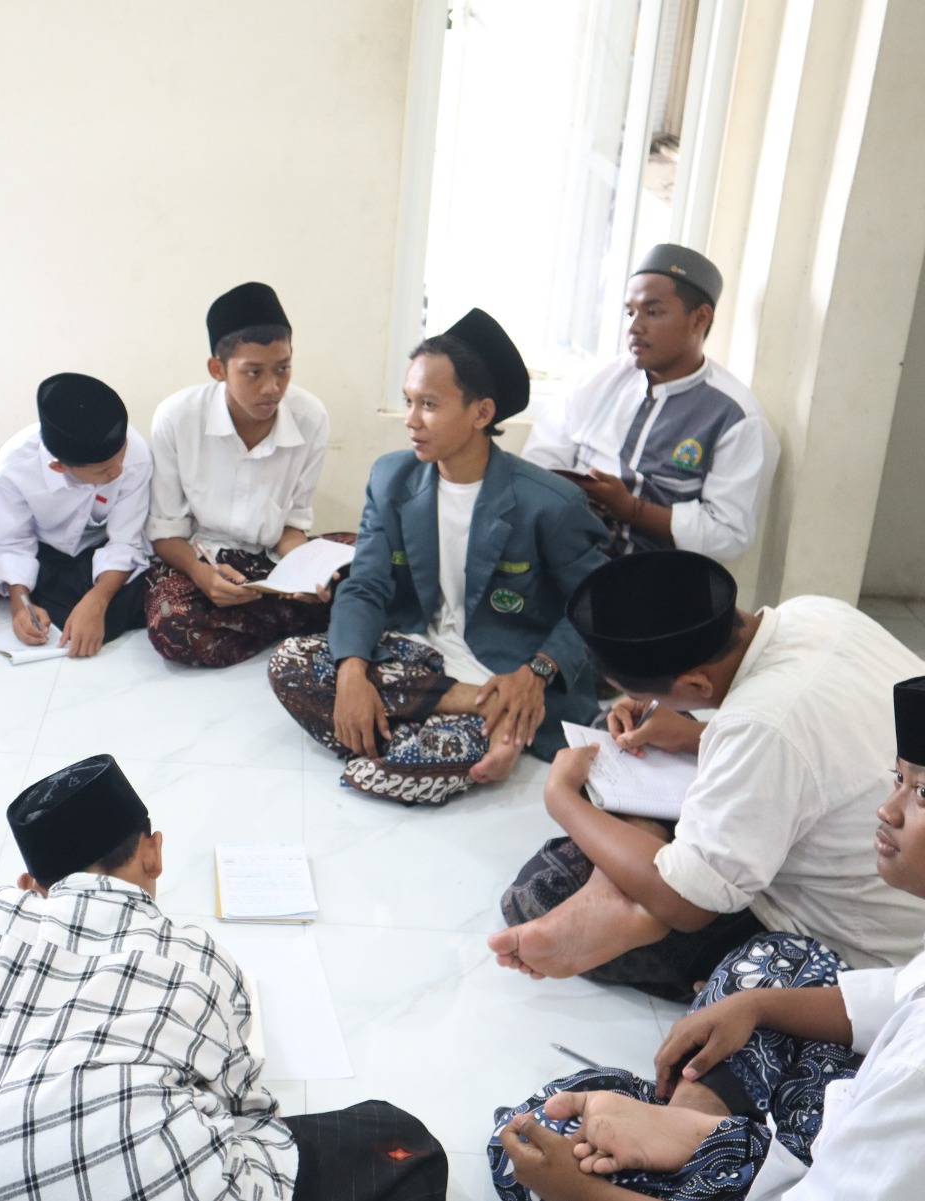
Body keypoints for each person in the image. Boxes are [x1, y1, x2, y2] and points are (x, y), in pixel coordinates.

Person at [0, 754, 448, 1201]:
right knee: (401, 1139)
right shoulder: (193, 956)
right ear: (153, 852)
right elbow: (246, 1108)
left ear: (33, 886)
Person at [490, 676, 925, 1201]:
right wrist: (755, 1007)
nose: (887, 809)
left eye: (922, 793)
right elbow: (896, 996)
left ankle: (694, 1129)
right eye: (897, 780)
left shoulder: (915, 1075)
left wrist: (581, 1195)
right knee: (784, 957)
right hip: (836, 1122)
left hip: (821, 1172)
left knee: (533, 1154)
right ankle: (694, 1118)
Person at [488, 550, 925, 1000]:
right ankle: (614, 896)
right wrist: (697, 735)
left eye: (639, 689)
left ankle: (625, 906)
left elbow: (688, 906)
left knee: (540, 892)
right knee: (617, 734)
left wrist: (562, 797)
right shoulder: (816, 611)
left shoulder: (760, 725)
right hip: (891, 859)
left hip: (868, 946)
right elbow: (819, 742)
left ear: (696, 685)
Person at [270, 310, 609, 804]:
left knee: (381, 773)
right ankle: (485, 719)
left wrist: (537, 672)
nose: (411, 420)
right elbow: (366, 584)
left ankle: (474, 719)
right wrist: (352, 672)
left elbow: (596, 606)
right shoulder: (391, 478)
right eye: (409, 401)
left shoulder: (549, 504)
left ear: (481, 413)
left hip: (502, 671)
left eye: (429, 405)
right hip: (415, 655)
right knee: (290, 662)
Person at [522, 244, 779, 561]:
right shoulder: (597, 382)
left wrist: (632, 509)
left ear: (699, 319)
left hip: (658, 581)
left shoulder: (736, 418)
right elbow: (538, 467)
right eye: (630, 312)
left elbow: (728, 535)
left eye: (653, 312)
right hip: (567, 562)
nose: (634, 327)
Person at [145, 281, 348, 668]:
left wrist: (307, 573)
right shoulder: (177, 418)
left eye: (283, 369)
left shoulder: (310, 417)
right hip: (204, 559)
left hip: (272, 561)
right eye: (253, 372)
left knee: (368, 564)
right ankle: (302, 623)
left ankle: (269, 618)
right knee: (172, 624)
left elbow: (292, 527)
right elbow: (165, 533)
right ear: (217, 369)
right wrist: (202, 576)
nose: (272, 387)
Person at [0, 372, 151, 656]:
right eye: (103, 471)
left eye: (120, 459)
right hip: (43, 544)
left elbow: (126, 541)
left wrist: (98, 600)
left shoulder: (136, 452)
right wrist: (20, 606)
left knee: (108, 615)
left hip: (93, 546)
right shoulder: (13, 468)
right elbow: (13, 544)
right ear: (59, 467)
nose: (118, 472)